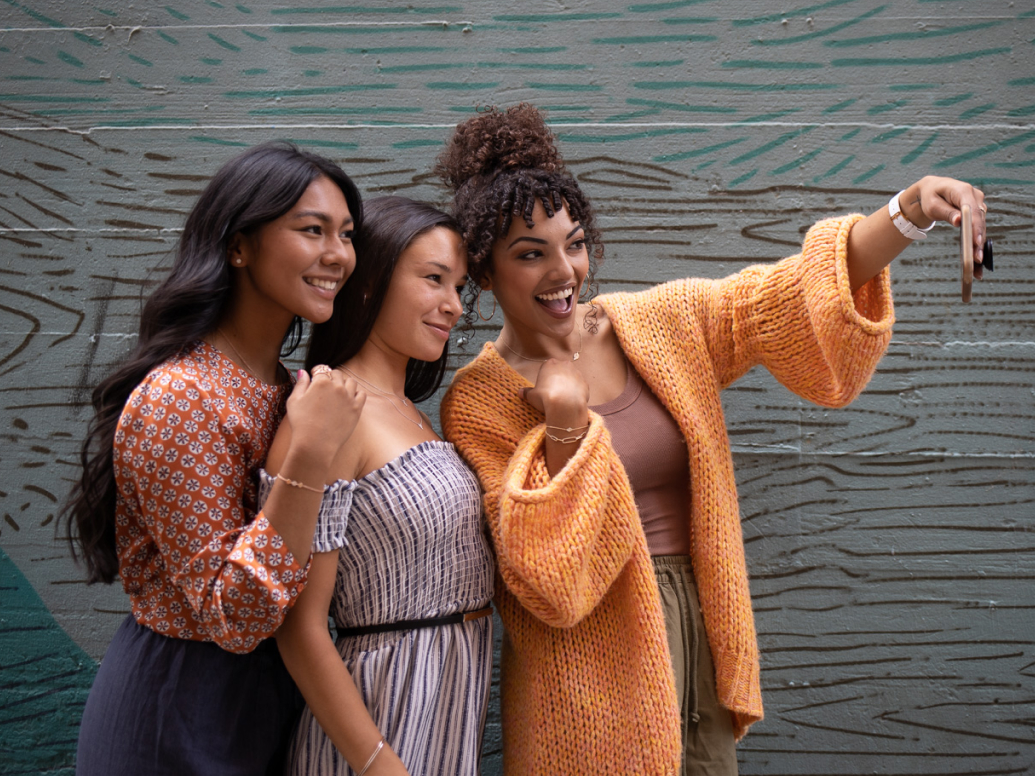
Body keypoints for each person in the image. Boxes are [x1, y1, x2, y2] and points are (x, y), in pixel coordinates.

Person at [435, 103, 988, 776]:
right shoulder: (479, 400)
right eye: (530, 254)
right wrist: (563, 430)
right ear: (485, 272)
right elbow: (545, 581)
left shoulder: (656, 323)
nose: (563, 272)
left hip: (699, 624)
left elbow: (778, 298)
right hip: (587, 668)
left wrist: (908, 211)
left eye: (574, 244)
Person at [65, 141, 369, 776]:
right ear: (238, 245)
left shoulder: (289, 389)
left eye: (345, 234)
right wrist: (309, 454)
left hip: (266, 703)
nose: (338, 255)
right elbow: (235, 615)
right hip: (178, 710)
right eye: (312, 230)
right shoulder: (182, 397)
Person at [267, 196, 495, 776]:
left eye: (459, 288)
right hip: (379, 722)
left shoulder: (414, 412)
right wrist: (378, 765)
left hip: (447, 710)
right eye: (434, 280)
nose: (453, 306)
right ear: (369, 284)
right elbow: (299, 625)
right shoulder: (329, 410)